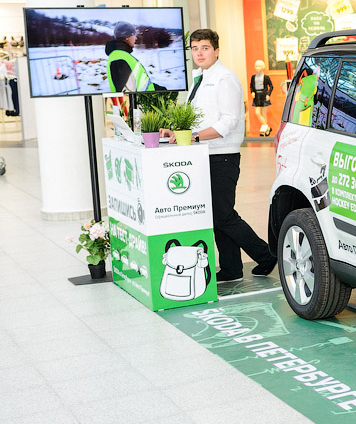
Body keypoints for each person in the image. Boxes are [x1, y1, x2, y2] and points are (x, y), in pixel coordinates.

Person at [174, 29, 276, 283]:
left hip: (223, 156)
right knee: (216, 214)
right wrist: (179, 132)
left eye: (205, 48)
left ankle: (266, 255)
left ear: (216, 51)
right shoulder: (199, 78)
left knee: (223, 215)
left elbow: (229, 121)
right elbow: (200, 117)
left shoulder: (224, 79)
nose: (199, 53)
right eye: (195, 48)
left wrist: (195, 136)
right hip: (203, 154)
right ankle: (231, 268)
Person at [106, 21, 163, 93]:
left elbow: (139, 83)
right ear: (127, 37)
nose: (135, 38)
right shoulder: (119, 60)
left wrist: (158, 89)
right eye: (134, 35)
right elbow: (127, 94)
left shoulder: (123, 56)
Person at [249, 59, 274, 137]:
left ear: (263, 67)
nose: (258, 67)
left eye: (259, 66)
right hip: (257, 96)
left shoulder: (266, 77)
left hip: (264, 95)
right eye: (256, 66)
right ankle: (267, 127)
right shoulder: (253, 77)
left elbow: (271, 86)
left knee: (264, 113)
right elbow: (251, 86)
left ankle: (264, 130)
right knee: (257, 112)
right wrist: (252, 92)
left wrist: (268, 94)